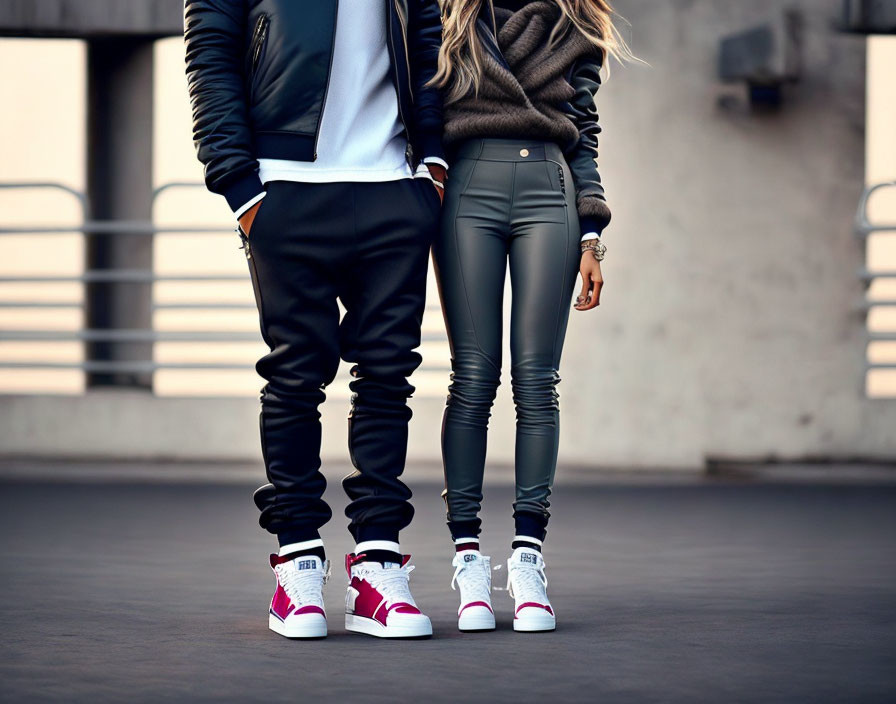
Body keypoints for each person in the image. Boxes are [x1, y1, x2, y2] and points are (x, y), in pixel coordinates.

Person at [184, 0, 447, 640]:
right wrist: (240, 187)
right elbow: (209, 58)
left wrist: (433, 161)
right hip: (284, 188)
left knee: (388, 376)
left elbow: (430, 40)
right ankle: (297, 561)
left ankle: (377, 568)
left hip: (393, 182)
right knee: (296, 377)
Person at [430, 0, 628, 632]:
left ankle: (527, 559)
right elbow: (423, 113)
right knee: (473, 376)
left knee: (537, 379)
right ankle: (467, 562)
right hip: (465, 186)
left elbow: (585, 128)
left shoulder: (579, 20)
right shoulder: (447, 14)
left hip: (550, 187)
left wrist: (592, 235)